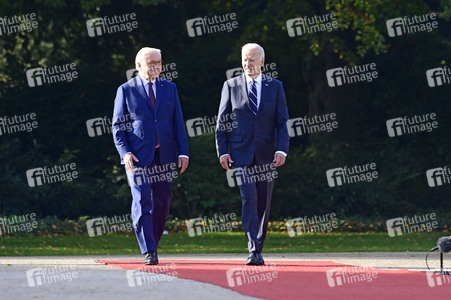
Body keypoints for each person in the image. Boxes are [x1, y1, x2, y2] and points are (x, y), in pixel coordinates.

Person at [112, 47, 189, 265]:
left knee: (163, 203)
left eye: (159, 62)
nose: (156, 67)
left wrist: (183, 152)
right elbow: (118, 127)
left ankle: (152, 242)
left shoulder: (169, 88)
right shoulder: (126, 90)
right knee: (142, 200)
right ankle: (149, 251)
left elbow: (178, 123)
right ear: (138, 66)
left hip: (164, 155)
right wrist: (125, 153)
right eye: (151, 63)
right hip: (137, 157)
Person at [215, 43, 290, 265]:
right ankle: (253, 249)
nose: (248, 64)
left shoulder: (275, 86)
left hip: (267, 154)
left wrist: (281, 149)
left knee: (263, 203)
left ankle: (259, 245)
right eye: (245, 59)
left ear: (262, 62)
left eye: (252, 60)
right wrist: (223, 152)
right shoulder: (231, 85)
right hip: (240, 154)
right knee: (249, 198)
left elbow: (282, 122)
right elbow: (222, 122)